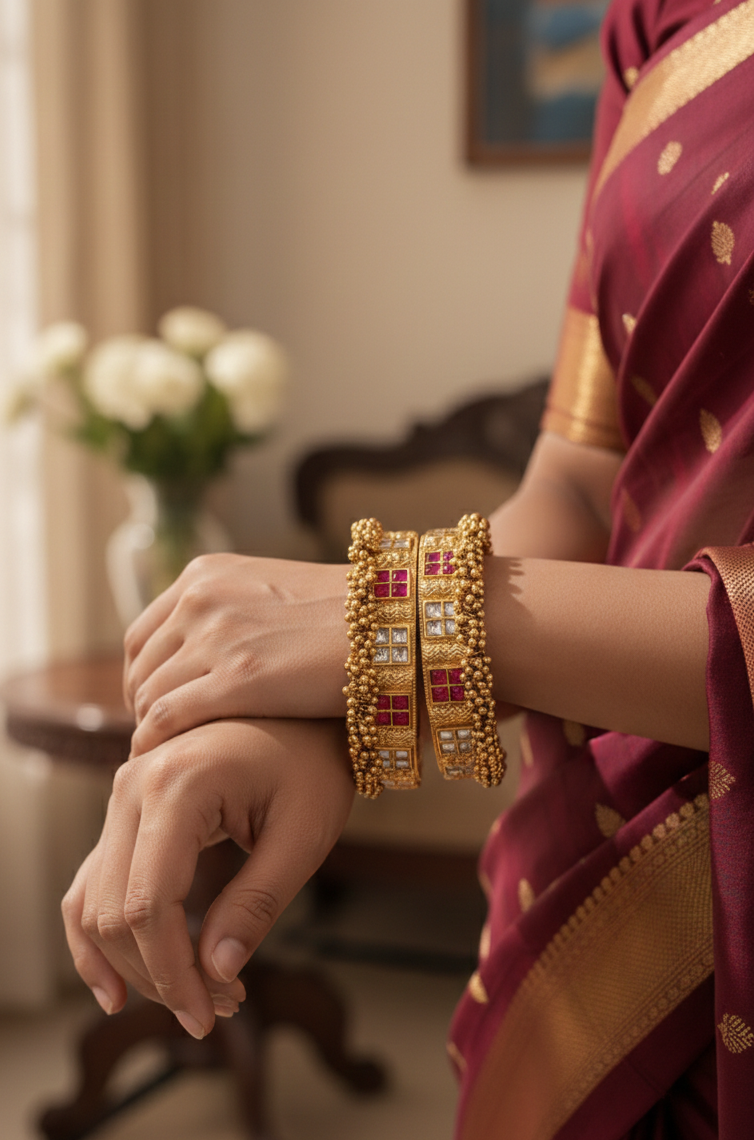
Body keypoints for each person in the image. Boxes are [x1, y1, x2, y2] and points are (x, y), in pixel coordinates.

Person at [61, 0, 754, 1134]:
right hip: (595, 863)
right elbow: (578, 477)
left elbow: (458, 605)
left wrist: (402, 616)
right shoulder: (653, 26)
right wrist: (334, 707)